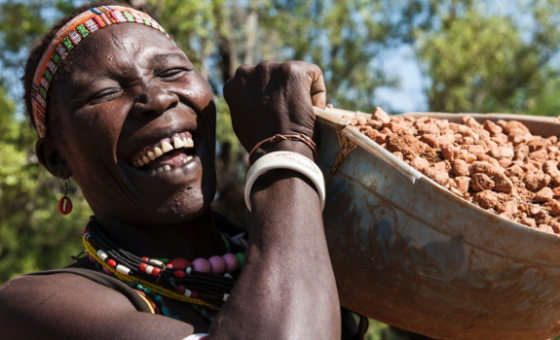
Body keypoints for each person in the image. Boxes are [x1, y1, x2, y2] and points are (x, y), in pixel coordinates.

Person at [0, 2, 364, 339]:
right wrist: (285, 149)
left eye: (172, 72)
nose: (158, 98)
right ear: (56, 158)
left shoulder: (302, 241)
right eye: (104, 93)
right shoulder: (32, 305)